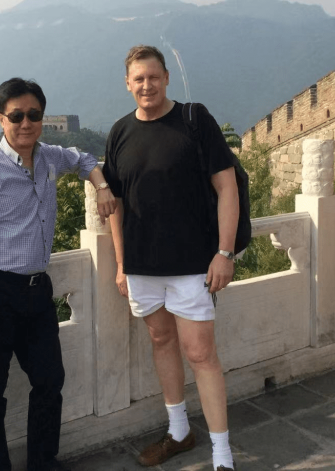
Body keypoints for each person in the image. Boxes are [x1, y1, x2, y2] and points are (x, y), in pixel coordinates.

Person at [0, 77, 116, 471]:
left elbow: (84, 159)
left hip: (36, 290)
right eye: (16, 116)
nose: (26, 123)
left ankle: (43, 463)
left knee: (49, 380)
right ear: (1, 119)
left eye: (34, 115)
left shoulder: (49, 158)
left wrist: (102, 187)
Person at [103, 46, 239, 471]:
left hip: (193, 264)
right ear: (127, 84)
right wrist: (122, 264)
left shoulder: (194, 121)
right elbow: (116, 205)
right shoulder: (120, 132)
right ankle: (179, 431)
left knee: (200, 354)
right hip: (142, 266)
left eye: (153, 77)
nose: (147, 85)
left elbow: (227, 188)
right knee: (161, 341)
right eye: (138, 79)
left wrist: (224, 253)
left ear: (166, 78)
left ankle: (222, 454)